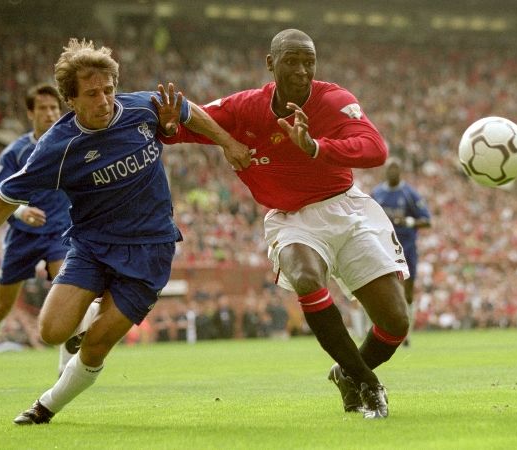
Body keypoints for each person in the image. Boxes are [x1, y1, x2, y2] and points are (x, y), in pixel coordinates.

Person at [0, 38, 249, 425]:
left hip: (151, 247)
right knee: (51, 331)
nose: (104, 101)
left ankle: (46, 406)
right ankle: (95, 307)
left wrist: (227, 144)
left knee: (97, 344)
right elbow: (4, 199)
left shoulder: (143, 106)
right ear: (72, 100)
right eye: (92, 94)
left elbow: (186, 111)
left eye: (109, 90)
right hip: (92, 246)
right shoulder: (56, 149)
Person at [161, 28, 409, 419]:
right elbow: (184, 126)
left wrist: (316, 147)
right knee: (306, 277)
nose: (302, 70)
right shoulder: (244, 107)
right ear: (270, 63)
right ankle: (368, 383)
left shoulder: (333, 100)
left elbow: (375, 150)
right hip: (291, 219)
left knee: (395, 324)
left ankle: (347, 373)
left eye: (309, 61)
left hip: (346, 209)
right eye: (292, 60)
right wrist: (174, 125)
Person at [0, 83, 97, 389]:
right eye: (43, 109)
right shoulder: (16, 151)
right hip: (22, 237)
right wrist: (21, 212)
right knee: (0, 309)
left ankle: (64, 368)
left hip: (60, 232)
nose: (50, 113)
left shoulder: (71, 143)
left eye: (53, 108)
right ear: (30, 113)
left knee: (64, 287)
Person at [371, 157, 431, 345]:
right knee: (380, 289)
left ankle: (406, 334)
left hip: (407, 248)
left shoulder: (409, 194)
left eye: (396, 168)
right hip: (383, 247)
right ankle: (377, 330)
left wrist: (409, 221)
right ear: (385, 171)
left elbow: (427, 220)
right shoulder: (377, 194)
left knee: (407, 293)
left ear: (401, 171)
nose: (392, 171)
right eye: (390, 168)